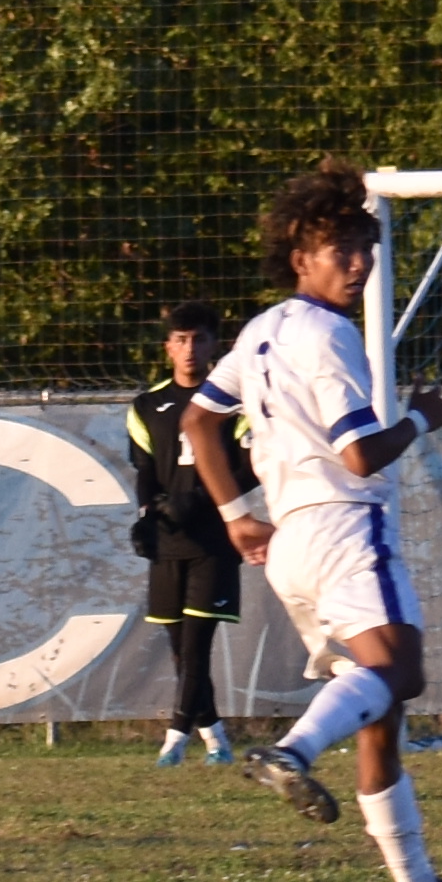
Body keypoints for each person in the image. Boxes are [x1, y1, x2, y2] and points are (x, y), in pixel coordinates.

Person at [186, 166, 442, 882]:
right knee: (401, 674)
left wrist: (234, 514)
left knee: (379, 714)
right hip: (346, 526)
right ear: (300, 259)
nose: (358, 264)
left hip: (289, 544)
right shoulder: (331, 334)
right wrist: (421, 419)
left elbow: (198, 421)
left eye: (364, 249)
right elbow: (358, 456)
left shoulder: (258, 332)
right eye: (339, 250)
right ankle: (291, 752)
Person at [125, 301, 246, 763]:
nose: (190, 348)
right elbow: (145, 471)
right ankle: (216, 740)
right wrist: (146, 516)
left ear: (215, 345)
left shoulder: (234, 403)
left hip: (214, 541)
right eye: (181, 340)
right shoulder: (147, 405)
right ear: (168, 348)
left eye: (199, 339)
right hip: (168, 542)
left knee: (196, 648)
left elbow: (249, 468)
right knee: (181, 653)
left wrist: (199, 499)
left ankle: (174, 741)